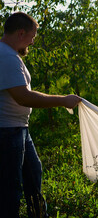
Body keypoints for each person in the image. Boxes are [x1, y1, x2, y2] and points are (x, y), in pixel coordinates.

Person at [0, 12, 82, 218]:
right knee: (11, 189)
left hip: (19, 129)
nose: (33, 41)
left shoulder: (9, 54)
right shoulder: (6, 57)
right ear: (20, 33)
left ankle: (38, 215)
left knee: (33, 174)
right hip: (7, 132)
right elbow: (24, 97)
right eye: (32, 36)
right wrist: (62, 100)